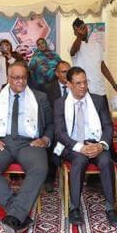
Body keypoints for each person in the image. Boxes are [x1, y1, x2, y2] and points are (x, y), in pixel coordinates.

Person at [0, 62, 53, 233]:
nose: (20, 81)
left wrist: (45, 139)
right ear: (8, 78)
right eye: (16, 78)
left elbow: (51, 124)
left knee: (40, 168)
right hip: (1, 141)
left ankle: (15, 214)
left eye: (23, 78)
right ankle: (19, 213)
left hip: (29, 143)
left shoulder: (40, 97)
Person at [53, 66, 117, 227]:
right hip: (72, 145)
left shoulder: (97, 100)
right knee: (80, 160)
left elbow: (108, 126)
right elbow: (60, 133)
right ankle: (74, 207)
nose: (83, 86)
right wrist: (79, 147)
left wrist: (101, 145)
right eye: (78, 83)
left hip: (95, 143)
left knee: (105, 161)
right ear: (69, 84)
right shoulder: (60, 103)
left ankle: (111, 207)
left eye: (85, 82)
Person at [69, 18, 117, 99]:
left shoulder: (97, 44)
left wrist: (114, 85)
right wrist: (79, 37)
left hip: (100, 89)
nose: (82, 31)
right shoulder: (72, 44)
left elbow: (103, 67)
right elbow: (73, 51)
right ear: (75, 32)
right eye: (78, 29)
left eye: (83, 28)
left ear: (87, 28)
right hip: (85, 91)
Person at [43, 60, 71, 191]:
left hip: (75, 126)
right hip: (55, 124)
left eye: (69, 71)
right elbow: (47, 113)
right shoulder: (48, 89)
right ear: (57, 73)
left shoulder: (77, 86)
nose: (67, 74)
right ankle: (50, 177)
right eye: (64, 72)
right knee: (51, 139)